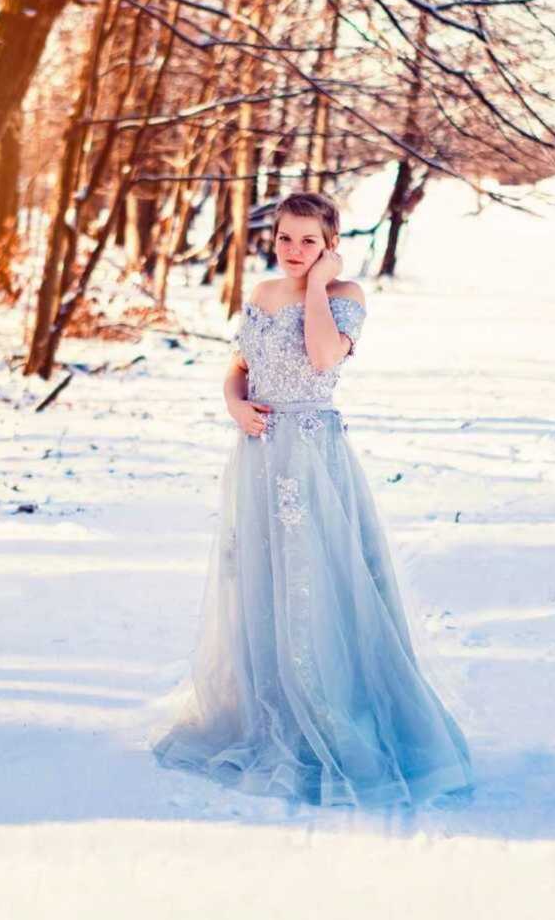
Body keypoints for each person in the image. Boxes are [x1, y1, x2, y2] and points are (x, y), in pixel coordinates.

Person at [151, 190, 474, 808]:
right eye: (284, 238)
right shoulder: (262, 294)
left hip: (312, 455)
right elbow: (238, 366)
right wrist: (234, 403)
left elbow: (324, 356)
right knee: (261, 581)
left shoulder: (345, 298)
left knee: (321, 581)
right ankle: (270, 707)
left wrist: (321, 287)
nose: (294, 251)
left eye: (309, 240)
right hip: (257, 457)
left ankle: (331, 709)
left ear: (330, 243)